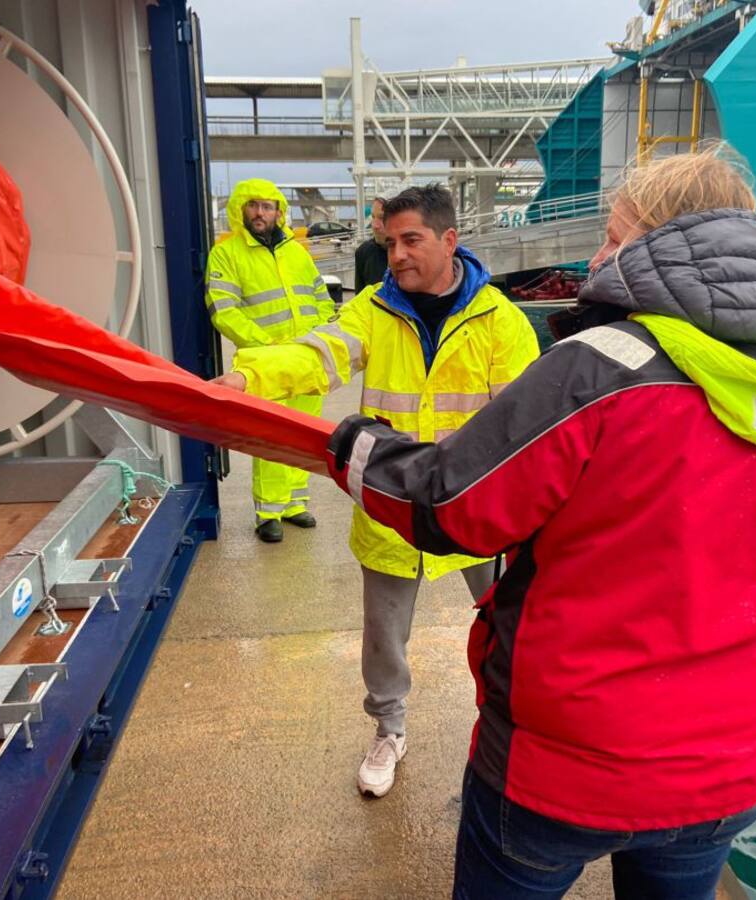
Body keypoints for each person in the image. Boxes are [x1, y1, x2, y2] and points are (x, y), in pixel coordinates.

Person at [323, 147, 756, 898]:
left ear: (657, 246)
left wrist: (360, 449)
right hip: (725, 775)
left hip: (565, 767)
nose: (596, 255)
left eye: (614, 237)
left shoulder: (597, 369)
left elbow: (451, 507)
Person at [216, 184, 539, 798]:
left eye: (411, 240)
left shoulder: (502, 322)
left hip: (475, 508)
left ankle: (509, 729)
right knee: (384, 634)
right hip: (392, 503)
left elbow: (523, 423)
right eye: (389, 242)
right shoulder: (372, 309)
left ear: (449, 241)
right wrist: (248, 378)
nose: (395, 255)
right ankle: (389, 730)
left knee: (510, 629)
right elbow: (320, 353)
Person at [206, 179, 334, 544]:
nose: (260, 213)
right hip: (264, 363)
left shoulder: (297, 252)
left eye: (267, 206)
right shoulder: (227, 254)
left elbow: (321, 297)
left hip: (307, 357)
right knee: (272, 436)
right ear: (240, 210)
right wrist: (268, 346)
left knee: (305, 430)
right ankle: (269, 512)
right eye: (253, 206)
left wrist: (320, 335)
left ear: (279, 211)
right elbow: (224, 311)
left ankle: (295, 504)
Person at [354, 196, 389, 293]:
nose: (374, 225)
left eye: (382, 218)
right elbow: (359, 301)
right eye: (373, 217)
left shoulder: (414, 254)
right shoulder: (363, 252)